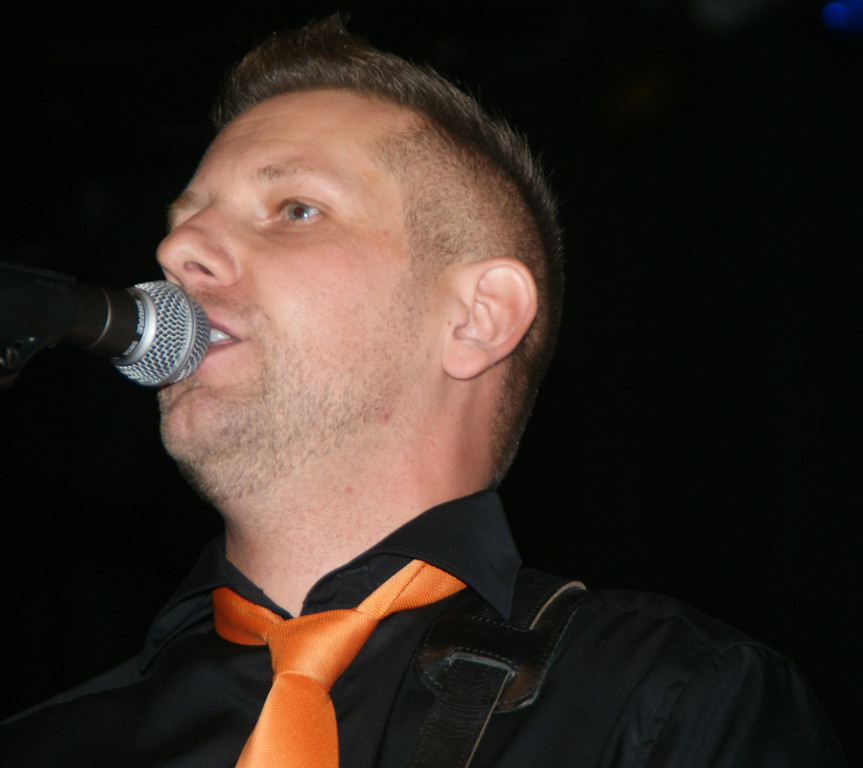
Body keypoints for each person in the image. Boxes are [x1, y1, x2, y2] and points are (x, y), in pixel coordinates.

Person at [0, 15, 845, 767]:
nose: (177, 250)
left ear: (478, 318)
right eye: (182, 220)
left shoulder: (669, 702)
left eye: (295, 210)